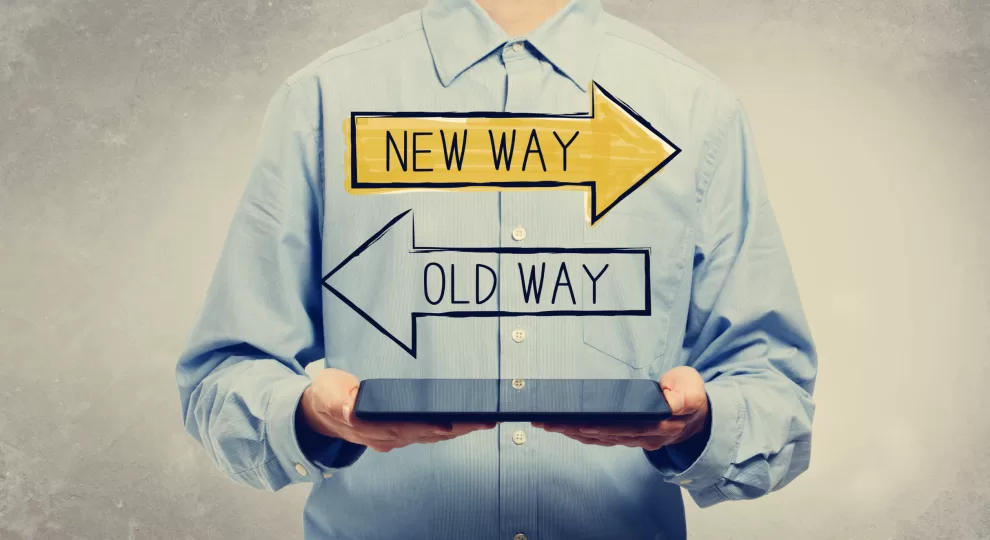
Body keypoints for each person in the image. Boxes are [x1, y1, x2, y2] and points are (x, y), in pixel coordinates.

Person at [175, 0, 818, 538]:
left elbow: (774, 392)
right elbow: (222, 380)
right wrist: (312, 415)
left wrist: (699, 420)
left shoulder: (697, 110)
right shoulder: (321, 101)